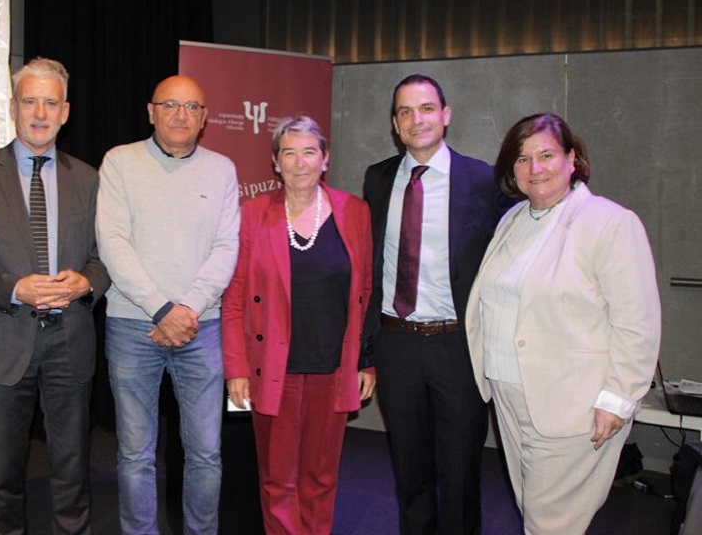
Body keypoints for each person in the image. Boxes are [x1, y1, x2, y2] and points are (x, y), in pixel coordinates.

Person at [465, 113, 661, 534]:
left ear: (573, 158)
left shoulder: (608, 223)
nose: (535, 168)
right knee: (538, 516)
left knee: (550, 524)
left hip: (571, 402)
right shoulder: (513, 221)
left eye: (547, 155)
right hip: (511, 396)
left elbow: (637, 322)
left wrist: (619, 398)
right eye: (522, 159)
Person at [0, 58, 109, 535]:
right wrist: (16, 288)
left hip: (71, 341)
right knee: (3, 475)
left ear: (66, 112)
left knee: (71, 469)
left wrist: (87, 283)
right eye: (30, 101)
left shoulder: (88, 178)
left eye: (50, 102)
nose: (40, 112)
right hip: (3, 342)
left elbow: (104, 260)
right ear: (13, 107)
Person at [362, 74, 511, 535]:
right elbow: (372, 266)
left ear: (445, 115)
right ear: (394, 123)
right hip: (396, 343)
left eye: (426, 108)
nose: (416, 119)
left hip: (457, 346)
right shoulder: (378, 178)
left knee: (461, 471)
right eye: (405, 111)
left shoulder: (483, 180)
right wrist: (367, 352)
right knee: (410, 471)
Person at [96, 75, 240, 534]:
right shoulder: (120, 162)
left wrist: (186, 311)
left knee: (206, 453)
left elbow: (226, 248)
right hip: (132, 326)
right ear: (150, 110)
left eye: (192, 107)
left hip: (203, 328)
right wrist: (162, 310)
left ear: (204, 118)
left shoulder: (222, 169)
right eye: (171, 105)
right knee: (135, 454)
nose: (181, 115)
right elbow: (112, 242)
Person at [222, 115, 375, 534]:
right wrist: (235, 368)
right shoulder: (252, 214)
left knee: (321, 478)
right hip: (273, 368)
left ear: (325, 159)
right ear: (275, 162)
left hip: (333, 366)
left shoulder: (354, 212)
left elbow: (366, 292)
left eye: (309, 152)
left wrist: (367, 362)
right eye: (289, 152)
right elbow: (234, 296)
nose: (300, 162)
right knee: (278, 480)